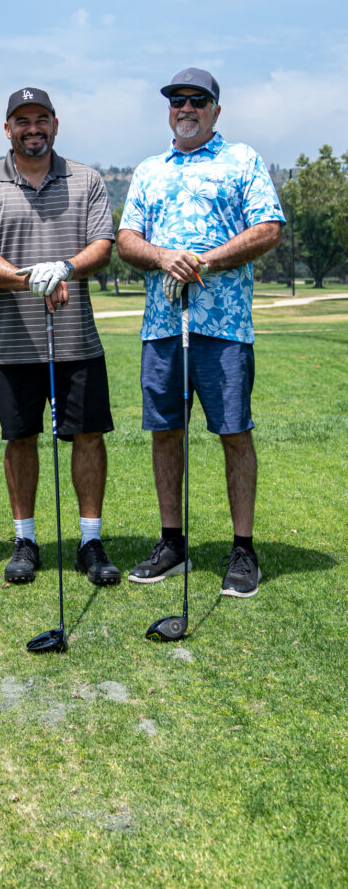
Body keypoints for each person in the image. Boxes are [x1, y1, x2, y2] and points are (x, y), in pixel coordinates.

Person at [117, 68, 285, 598]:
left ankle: (243, 549)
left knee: (234, 434)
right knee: (166, 432)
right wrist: (165, 256)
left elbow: (268, 228)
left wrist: (204, 263)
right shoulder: (149, 170)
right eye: (176, 101)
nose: (185, 108)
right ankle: (172, 543)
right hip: (163, 327)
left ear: (215, 108)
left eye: (197, 100)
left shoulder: (243, 160)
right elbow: (126, 240)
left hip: (225, 327)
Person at [0, 87, 118, 587]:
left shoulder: (87, 180)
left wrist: (65, 267)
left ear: (55, 123)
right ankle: (25, 540)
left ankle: (90, 540)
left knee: (87, 438)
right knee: (20, 439)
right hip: (11, 342)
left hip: (77, 340)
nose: (33, 128)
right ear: (7, 128)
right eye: (22, 120)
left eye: (41, 119)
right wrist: (33, 278)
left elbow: (102, 246)